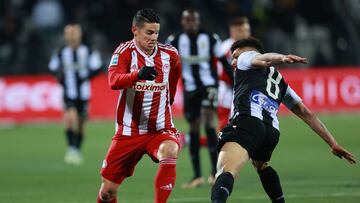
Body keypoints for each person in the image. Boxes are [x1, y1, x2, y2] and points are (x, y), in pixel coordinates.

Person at [211, 37, 356, 203]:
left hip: (248, 122)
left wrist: (281, 58)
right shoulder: (280, 81)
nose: (233, 62)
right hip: (271, 133)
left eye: (235, 56)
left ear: (248, 52)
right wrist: (332, 143)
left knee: (225, 171)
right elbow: (306, 113)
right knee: (261, 165)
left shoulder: (247, 58)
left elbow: (262, 58)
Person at [97, 8, 181, 203]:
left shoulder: (170, 54)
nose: (154, 37)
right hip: (129, 132)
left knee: (170, 150)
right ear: (135, 30)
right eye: (149, 33)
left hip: (160, 129)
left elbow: (175, 78)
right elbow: (113, 80)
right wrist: (137, 75)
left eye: (157, 32)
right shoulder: (124, 51)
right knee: (108, 192)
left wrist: (170, 98)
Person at [166, 8, 232, 188]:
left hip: (209, 85)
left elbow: (224, 63)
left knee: (209, 122)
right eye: (187, 20)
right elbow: (165, 63)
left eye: (193, 20)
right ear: (182, 22)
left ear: (198, 22)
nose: (190, 24)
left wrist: (235, 82)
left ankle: (214, 172)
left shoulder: (211, 38)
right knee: (194, 127)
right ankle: (197, 176)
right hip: (190, 89)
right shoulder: (175, 40)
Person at [49, 23, 103, 165]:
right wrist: (59, 77)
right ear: (65, 36)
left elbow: (97, 67)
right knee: (70, 118)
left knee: (81, 124)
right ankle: (71, 149)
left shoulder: (88, 50)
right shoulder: (61, 52)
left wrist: (85, 77)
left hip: (84, 94)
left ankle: (76, 150)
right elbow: (53, 67)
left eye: (75, 33)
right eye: (69, 33)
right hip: (69, 92)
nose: (72, 36)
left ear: (80, 35)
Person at [217, 17, 251, 130]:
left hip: (239, 90)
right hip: (227, 92)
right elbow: (222, 71)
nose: (246, 34)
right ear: (234, 31)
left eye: (247, 30)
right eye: (243, 31)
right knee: (225, 127)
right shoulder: (227, 48)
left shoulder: (247, 47)